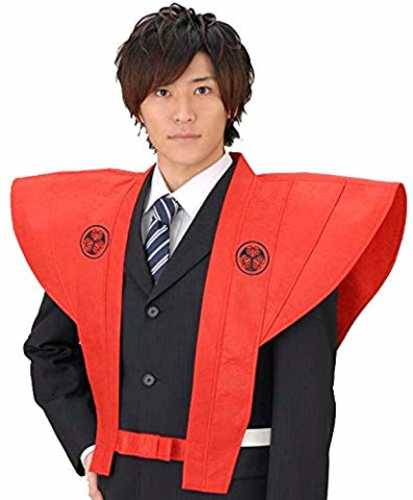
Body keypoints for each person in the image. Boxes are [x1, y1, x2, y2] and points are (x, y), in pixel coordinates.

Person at [13, 3, 406, 500]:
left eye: (202, 90)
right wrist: (91, 448)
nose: (183, 113)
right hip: (121, 488)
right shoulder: (98, 222)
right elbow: (50, 349)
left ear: (231, 103)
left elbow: (303, 406)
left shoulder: (294, 228)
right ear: (138, 106)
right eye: (162, 92)